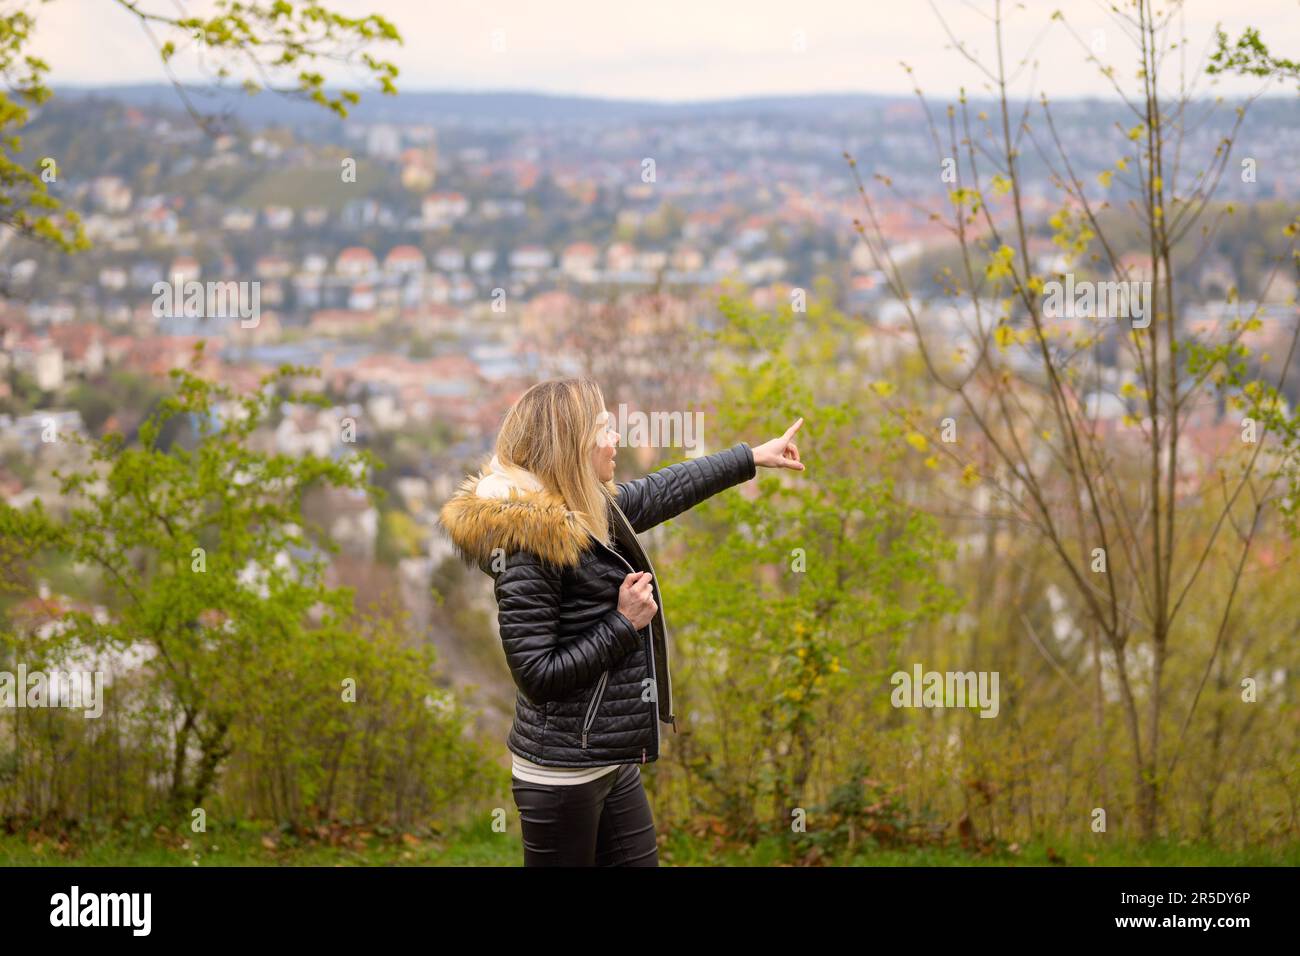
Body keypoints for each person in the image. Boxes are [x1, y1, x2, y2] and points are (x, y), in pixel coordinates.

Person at [439, 378, 804, 866]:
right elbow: (537, 676)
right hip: (563, 774)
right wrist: (623, 623)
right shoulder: (528, 545)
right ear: (571, 444)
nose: (616, 440)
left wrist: (751, 457)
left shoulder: (585, 510)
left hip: (609, 759)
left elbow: (662, 490)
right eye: (604, 428)